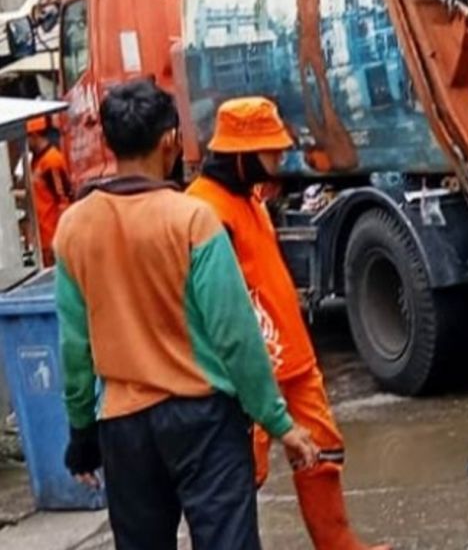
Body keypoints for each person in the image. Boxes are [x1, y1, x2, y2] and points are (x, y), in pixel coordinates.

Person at [53, 80, 319, 549]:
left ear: (109, 143)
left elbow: (75, 348)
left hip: (123, 425)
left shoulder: (73, 228)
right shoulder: (192, 220)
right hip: (204, 421)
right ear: (170, 142)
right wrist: (279, 423)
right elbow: (235, 336)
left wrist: (81, 433)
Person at [187, 97, 388, 550]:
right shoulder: (203, 211)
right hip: (249, 373)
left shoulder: (249, 200)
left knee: (323, 453)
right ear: (242, 155)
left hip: (293, 360)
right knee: (241, 474)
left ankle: (338, 544)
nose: (280, 159)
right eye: (270, 151)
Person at [27, 115, 71, 266]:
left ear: (34, 136)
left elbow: (63, 200)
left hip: (52, 238)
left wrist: (59, 238)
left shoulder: (52, 160)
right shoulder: (36, 161)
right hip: (43, 240)